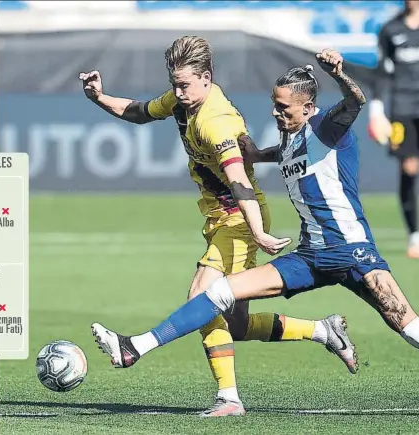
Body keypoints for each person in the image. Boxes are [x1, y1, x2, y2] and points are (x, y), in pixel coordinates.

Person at [92, 47, 413, 396]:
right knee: (218, 293)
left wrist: (337, 74)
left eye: (283, 107)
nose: (274, 112)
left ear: (307, 108)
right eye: (274, 104)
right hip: (311, 256)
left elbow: (356, 100)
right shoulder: (292, 132)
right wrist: (261, 155)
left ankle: (159, 359)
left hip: (352, 251)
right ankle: (136, 346)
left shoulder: (328, 127)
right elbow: (289, 151)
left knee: (408, 329)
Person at [368, 0, 419, 258]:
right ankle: (415, 235)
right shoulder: (391, 29)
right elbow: (383, 72)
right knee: (409, 169)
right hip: (403, 109)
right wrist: (376, 111)